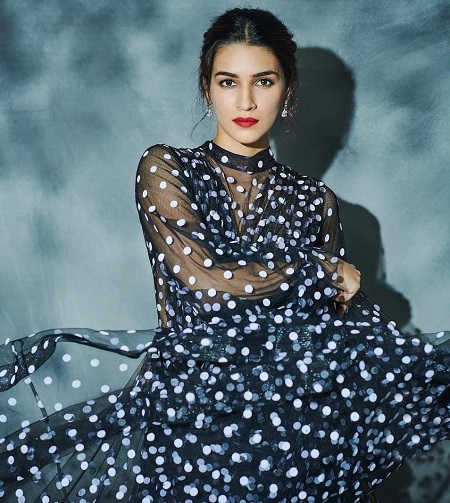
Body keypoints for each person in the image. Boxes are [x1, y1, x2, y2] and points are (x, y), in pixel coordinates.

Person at [0, 7, 448, 503]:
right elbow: (208, 286)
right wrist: (320, 269)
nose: (246, 101)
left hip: (298, 433)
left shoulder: (314, 199)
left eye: (264, 81)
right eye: (228, 81)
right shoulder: (167, 169)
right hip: (191, 429)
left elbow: (329, 334)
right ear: (207, 88)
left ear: (288, 92)